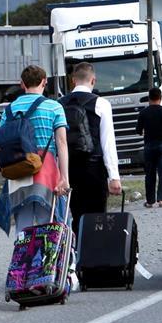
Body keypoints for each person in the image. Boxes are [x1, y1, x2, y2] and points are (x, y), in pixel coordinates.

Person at [0, 65, 71, 239]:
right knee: (50, 226)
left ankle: (24, 264)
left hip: (17, 171)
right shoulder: (54, 107)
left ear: (21, 84)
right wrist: (64, 178)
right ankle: (47, 265)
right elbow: (61, 143)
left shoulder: (9, 110)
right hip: (45, 171)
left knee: (23, 230)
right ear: (45, 82)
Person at [59, 62, 122, 241]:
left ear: (73, 81)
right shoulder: (101, 103)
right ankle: (95, 258)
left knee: (75, 215)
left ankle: (74, 260)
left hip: (69, 169)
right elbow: (108, 142)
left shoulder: (59, 104)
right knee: (97, 217)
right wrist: (114, 176)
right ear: (93, 80)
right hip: (94, 168)